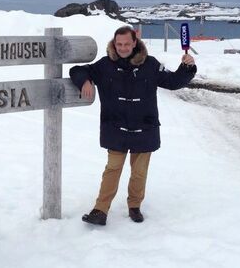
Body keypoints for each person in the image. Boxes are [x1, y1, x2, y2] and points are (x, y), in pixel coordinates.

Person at [69, 26, 196, 226]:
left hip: (144, 128)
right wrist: (85, 80)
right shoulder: (105, 65)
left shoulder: (151, 64)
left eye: (127, 43)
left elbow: (173, 81)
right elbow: (77, 70)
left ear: (134, 42)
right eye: (119, 44)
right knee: (112, 168)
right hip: (115, 127)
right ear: (114, 43)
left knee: (139, 172)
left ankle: (134, 206)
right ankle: (100, 210)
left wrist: (187, 67)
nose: (123, 48)